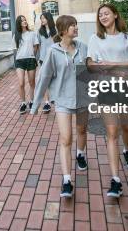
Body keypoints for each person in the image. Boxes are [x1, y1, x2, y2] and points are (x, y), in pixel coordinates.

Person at [87, 3, 128, 198]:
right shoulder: (95, 39)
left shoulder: (127, 38)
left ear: (115, 15)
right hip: (106, 89)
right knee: (112, 132)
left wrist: (113, 64)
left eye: (106, 13)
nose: (103, 17)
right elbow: (90, 63)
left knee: (126, 127)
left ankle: (127, 150)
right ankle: (115, 180)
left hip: (126, 87)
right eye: (100, 14)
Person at [31, 15, 89, 198]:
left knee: (81, 131)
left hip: (83, 99)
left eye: (76, 25)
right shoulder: (53, 51)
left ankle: (80, 153)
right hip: (63, 100)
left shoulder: (83, 48)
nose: (76, 28)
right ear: (63, 30)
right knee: (66, 138)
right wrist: (36, 104)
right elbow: (44, 78)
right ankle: (66, 180)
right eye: (72, 25)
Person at [13, 15, 39, 114]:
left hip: (31, 59)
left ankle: (31, 101)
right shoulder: (16, 35)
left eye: (25, 20)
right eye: (22, 21)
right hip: (20, 60)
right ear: (19, 24)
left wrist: (33, 55)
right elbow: (15, 49)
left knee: (32, 82)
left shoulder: (32, 34)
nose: (24, 22)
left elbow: (36, 46)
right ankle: (23, 103)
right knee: (21, 83)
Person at [37, 12, 57, 113]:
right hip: (43, 60)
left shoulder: (56, 30)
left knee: (55, 80)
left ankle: (57, 99)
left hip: (54, 59)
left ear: (49, 19)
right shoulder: (40, 31)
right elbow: (39, 46)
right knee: (45, 81)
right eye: (41, 19)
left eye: (44, 18)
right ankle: (47, 102)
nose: (42, 20)